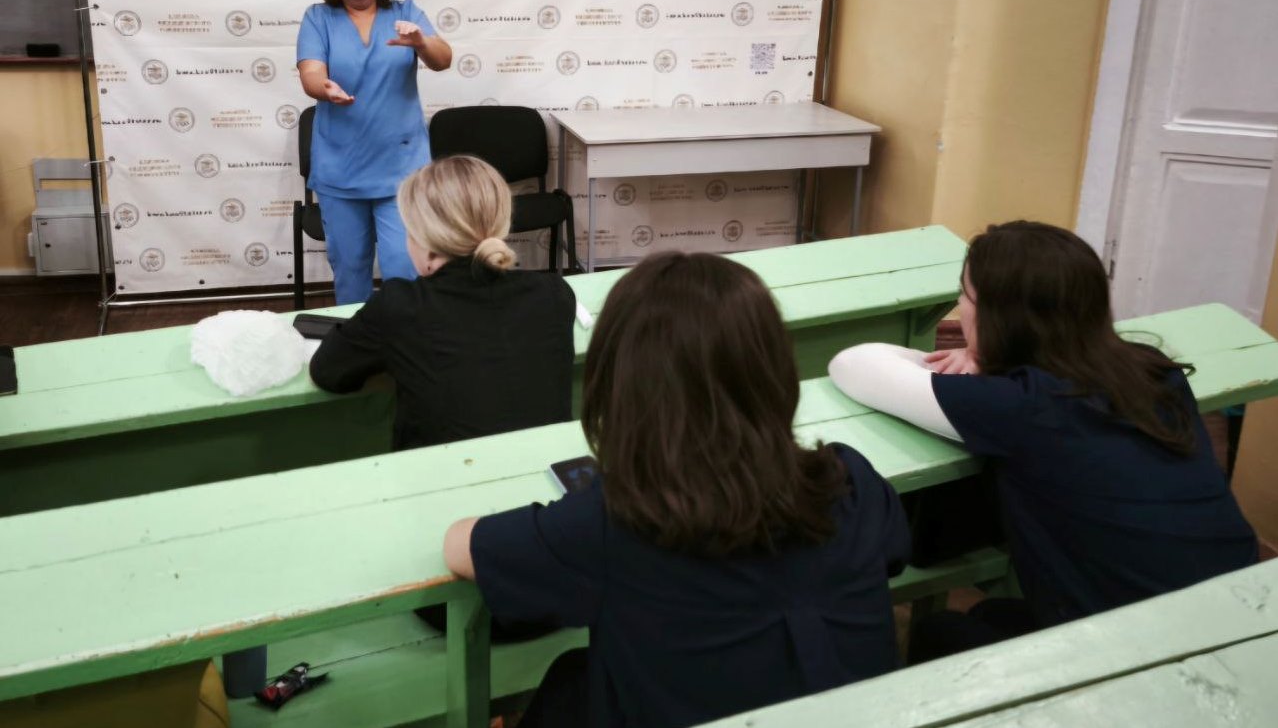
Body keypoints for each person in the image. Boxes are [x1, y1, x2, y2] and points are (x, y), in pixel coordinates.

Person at [444, 252, 910, 728]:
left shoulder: (614, 522)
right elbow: (894, 554)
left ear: (621, 385)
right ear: (773, 370)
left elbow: (462, 547)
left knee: (573, 685)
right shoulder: (850, 482)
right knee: (574, 678)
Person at [828, 220, 1258, 661]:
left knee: (940, 633)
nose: (960, 307)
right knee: (993, 613)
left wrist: (973, 358)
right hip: (1246, 613)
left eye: (965, 297)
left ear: (999, 318)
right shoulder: (1153, 370)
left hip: (1149, 654)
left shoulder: (1021, 405)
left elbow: (852, 363)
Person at [309, 155, 574, 450]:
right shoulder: (554, 293)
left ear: (423, 240)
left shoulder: (401, 306)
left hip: (442, 476)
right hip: (547, 470)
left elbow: (327, 372)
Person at [297, 0, 452, 304]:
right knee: (350, 271)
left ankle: (406, 338)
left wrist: (421, 42)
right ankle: (360, 338)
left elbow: (443, 59)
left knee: (406, 268)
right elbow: (311, 72)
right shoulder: (318, 18)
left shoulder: (406, 12)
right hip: (341, 169)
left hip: (401, 170)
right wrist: (324, 87)